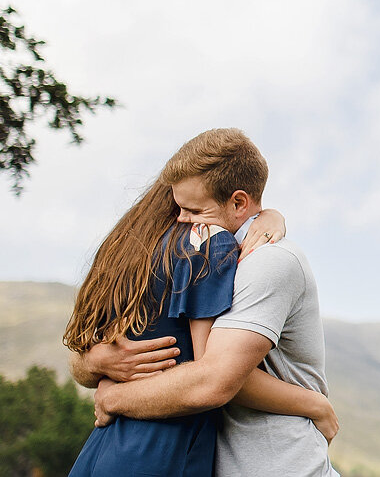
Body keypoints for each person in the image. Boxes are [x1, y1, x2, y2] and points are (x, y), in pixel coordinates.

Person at [65, 144, 336, 476]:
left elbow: (209, 376)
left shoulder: (147, 256)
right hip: (180, 447)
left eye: (192, 208)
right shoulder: (197, 251)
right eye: (182, 206)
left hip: (120, 442)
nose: (183, 218)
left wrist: (104, 379)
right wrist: (315, 405)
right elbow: (211, 377)